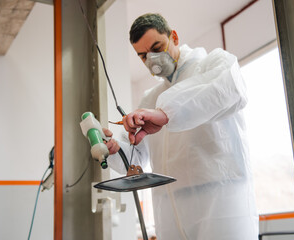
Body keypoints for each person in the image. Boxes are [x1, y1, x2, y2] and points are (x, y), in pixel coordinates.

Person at [104, 13, 258, 240]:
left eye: (157, 47)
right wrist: (117, 150)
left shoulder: (214, 63)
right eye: (143, 56)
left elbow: (230, 89)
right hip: (170, 208)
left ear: (173, 37)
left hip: (221, 202)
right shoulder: (150, 99)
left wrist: (166, 113)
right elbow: (137, 160)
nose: (152, 60)